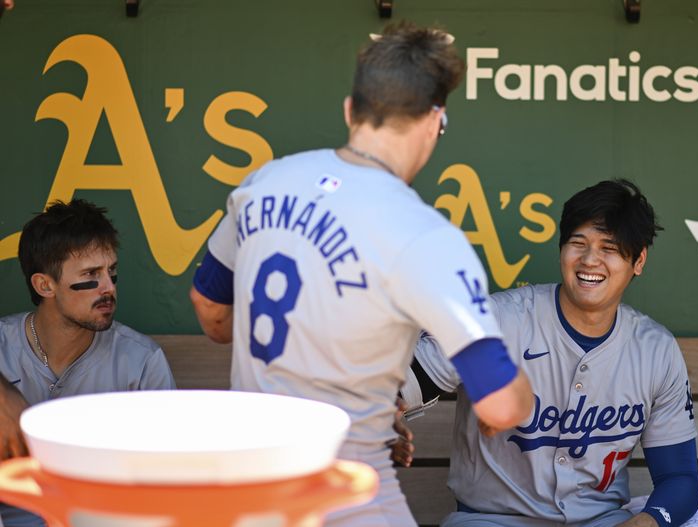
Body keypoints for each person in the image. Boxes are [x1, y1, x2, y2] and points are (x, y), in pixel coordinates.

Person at [189, 21, 534, 527]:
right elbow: (502, 407)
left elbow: (211, 311)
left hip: (251, 488)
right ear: (436, 121)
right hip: (346, 493)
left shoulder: (265, 182)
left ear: (351, 111)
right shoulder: (424, 234)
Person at [407, 179, 698, 527]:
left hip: (602, 521)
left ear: (638, 260)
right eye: (578, 243)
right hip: (493, 520)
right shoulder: (497, 320)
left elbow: (679, 477)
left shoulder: (657, 350)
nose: (590, 260)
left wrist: (648, 521)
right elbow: (403, 382)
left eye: (609, 247)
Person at [0, 199, 176, 527]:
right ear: (45, 285)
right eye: (91, 275)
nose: (109, 288)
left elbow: (167, 479)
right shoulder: (3, 344)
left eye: (111, 272)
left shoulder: (140, 362)